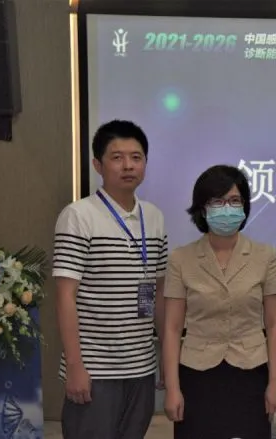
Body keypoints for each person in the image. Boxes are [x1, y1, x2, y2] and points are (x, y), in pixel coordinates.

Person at [52, 120, 168, 439]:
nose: (128, 165)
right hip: (95, 369)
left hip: (141, 366)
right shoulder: (78, 216)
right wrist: (75, 366)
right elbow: (65, 296)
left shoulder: (154, 217)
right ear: (97, 165)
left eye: (136, 157)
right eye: (117, 157)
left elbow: (158, 293)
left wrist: (165, 357)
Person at [162, 164, 276, 439]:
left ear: (245, 206)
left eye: (234, 201)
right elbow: (172, 328)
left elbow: (275, 325)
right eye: (217, 201)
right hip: (197, 374)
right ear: (202, 208)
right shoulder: (180, 259)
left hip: (251, 372)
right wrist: (172, 388)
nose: (227, 208)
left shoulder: (266, 256)